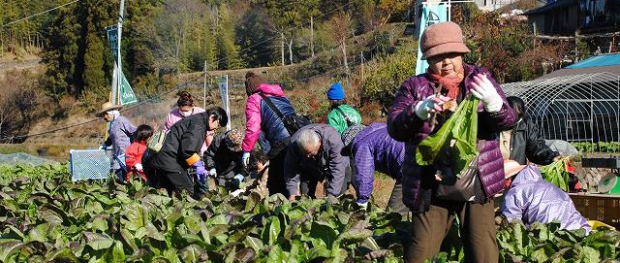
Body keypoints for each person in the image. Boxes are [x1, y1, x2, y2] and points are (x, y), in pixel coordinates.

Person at [387, 21, 517, 263]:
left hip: (477, 181)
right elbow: (395, 128)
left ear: (462, 52)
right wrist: (417, 112)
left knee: (483, 254)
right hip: (430, 186)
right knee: (420, 253)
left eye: (452, 55)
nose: (446, 62)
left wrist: (494, 104)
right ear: (427, 59)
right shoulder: (415, 86)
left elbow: (508, 120)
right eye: (438, 57)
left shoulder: (480, 78)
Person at [146, 107, 228, 196]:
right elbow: (188, 150)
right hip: (169, 159)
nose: (216, 128)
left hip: (166, 157)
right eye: (218, 125)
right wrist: (198, 164)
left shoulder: (197, 120)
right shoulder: (199, 125)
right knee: (188, 191)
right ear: (212, 117)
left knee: (167, 190)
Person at [241, 71, 298, 196]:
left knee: (275, 184)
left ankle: (281, 211)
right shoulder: (280, 96)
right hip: (297, 137)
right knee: (292, 177)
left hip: (280, 142)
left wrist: (246, 150)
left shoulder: (253, 99)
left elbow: (253, 128)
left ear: (249, 89)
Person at [501, 160, 591, 234]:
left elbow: (512, 224)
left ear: (508, 179)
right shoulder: (547, 185)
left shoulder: (513, 193)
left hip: (552, 237)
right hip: (580, 230)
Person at [341, 123, 408, 215]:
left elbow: (364, 174)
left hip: (411, 168)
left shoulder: (361, 143)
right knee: (427, 216)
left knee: (392, 218)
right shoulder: (380, 130)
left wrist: (362, 202)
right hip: (427, 159)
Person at [163, 91, 212, 193]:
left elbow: (209, 133)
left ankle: (203, 195)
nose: (184, 113)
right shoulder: (172, 116)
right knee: (185, 176)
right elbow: (166, 133)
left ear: (192, 106)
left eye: (187, 110)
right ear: (178, 107)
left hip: (198, 150)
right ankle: (188, 196)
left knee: (200, 174)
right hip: (180, 152)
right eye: (182, 110)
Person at [284, 124, 348, 200]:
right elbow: (290, 168)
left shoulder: (333, 140)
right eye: (305, 153)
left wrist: (332, 196)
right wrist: (293, 192)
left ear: (319, 143)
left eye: (310, 152)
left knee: (337, 195)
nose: (307, 156)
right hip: (308, 167)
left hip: (338, 166)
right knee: (306, 197)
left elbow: (337, 169)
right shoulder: (294, 143)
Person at [502, 96, 560, 165]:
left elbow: (536, 147)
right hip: (493, 173)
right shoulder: (492, 127)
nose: (513, 119)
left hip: (517, 173)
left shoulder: (525, 126)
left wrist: (551, 157)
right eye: (511, 114)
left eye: (518, 115)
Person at [97, 102, 137, 182]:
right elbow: (112, 138)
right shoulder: (112, 125)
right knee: (118, 180)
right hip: (118, 158)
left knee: (130, 180)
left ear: (112, 113)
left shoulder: (121, 120)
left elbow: (134, 131)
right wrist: (104, 145)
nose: (104, 117)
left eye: (106, 114)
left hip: (127, 156)